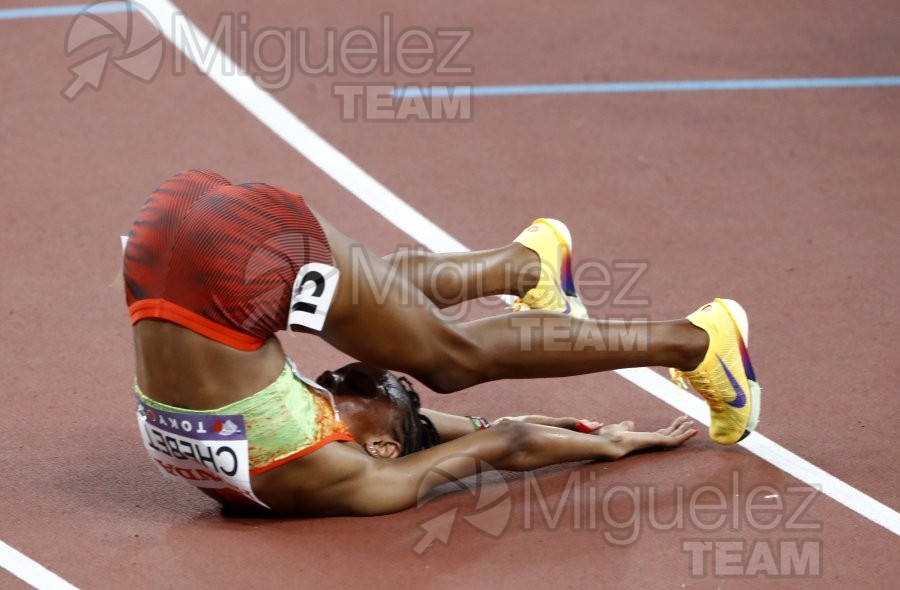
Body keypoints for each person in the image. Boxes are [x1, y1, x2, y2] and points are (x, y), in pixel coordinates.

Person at [124, 169, 760, 517]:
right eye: (400, 395)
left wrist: (590, 440)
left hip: (218, 262)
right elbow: (498, 433)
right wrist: (606, 441)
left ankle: (690, 342)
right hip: (169, 229)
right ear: (379, 444)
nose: (387, 378)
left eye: (393, 392)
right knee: (419, 337)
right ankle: (532, 270)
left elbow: (500, 440)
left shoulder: (352, 470)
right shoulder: (341, 472)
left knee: (441, 358)